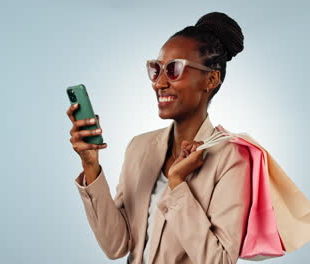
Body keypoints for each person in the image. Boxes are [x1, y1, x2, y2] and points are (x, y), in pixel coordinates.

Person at [66, 11, 251, 264]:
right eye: (156, 69)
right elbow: (116, 245)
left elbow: (218, 260)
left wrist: (177, 184)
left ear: (210, 79)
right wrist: (91, 166)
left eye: (174, 69)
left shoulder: (231, 158)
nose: (158, 83)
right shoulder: (139, 147)